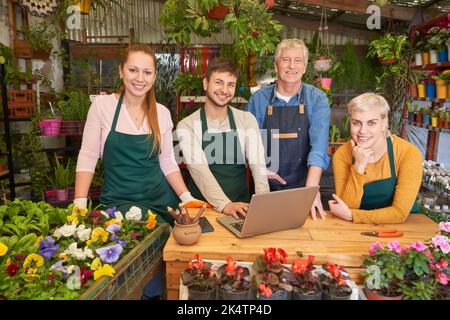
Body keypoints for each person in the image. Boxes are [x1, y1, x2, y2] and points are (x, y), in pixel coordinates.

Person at [73, 44, 201, 298]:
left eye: (146, 72)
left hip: (161, 201)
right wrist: (79, 203)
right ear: (121, 71)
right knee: (130, 264)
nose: (139, 78)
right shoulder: (103, 107)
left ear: (154, 76)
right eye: (133, 70)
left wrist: (186, 197)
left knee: (171, 262)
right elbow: (88, 156)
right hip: (120, 201)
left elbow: (166, 161)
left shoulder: (162, 113)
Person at [247, 38, 330, 220]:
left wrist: (311, 190)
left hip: (304, 185)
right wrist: (261, 178)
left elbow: (319, 147)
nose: (292, 66)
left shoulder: (317, 99)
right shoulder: (258, 100)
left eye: (298, 60)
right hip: (265, 186)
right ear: (276, 66)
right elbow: (250, 146)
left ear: (305, 66)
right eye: (285, 60)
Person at [176, 57, 270, 219]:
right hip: (202, 209)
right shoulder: (187, 125)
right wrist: (224, 204)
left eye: (230, 85)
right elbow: (199, 170)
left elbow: (258, 164)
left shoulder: (246, 120)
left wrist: (263, 200)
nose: (224, 90)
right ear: (206, 83)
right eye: (219, 82)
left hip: (241, 207)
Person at [329, 93, 422, 224]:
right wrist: (359, 167)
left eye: (371, 123)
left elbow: (399, 214)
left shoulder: (407, 153)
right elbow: (345, 207)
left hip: (403, 229)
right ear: (350, 122)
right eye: (356, 123)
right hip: (354, 229)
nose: (363, 131)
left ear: (384, 123)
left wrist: (352, 215)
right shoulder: (342, 155)